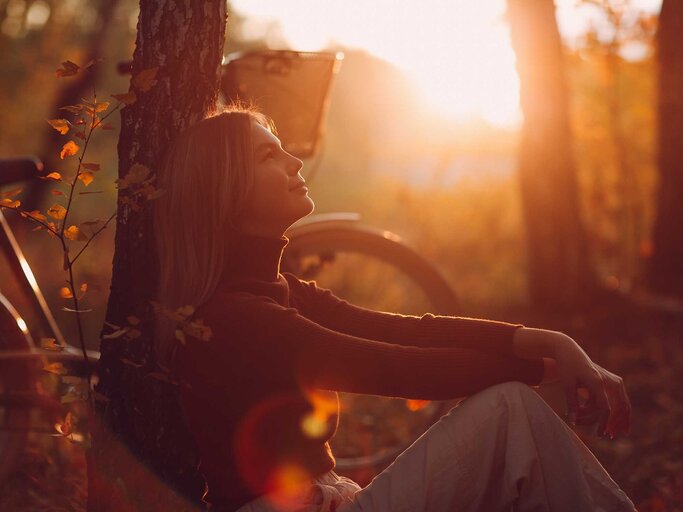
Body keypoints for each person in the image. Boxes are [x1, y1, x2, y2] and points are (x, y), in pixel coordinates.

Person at [152, 105, 636, 512]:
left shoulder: (281, 290)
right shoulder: (237, 316)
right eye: (268, 156)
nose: (294, 162)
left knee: (514, 412)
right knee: (511, 408)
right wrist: (550, 369)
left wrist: (555, 342)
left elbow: (411, 333)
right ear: (227, 190)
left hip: (333, 500)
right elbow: (396, 368)